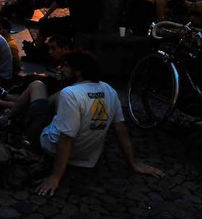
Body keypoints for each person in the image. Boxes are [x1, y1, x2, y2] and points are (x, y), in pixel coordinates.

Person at [18, 51, 165, 196]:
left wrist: (55, 177)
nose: (62, 69)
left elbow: (66, 139)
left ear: (79, 71)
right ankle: (14, 104)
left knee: (37, 86)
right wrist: (134, 162)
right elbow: (121, 129)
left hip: (47, 143)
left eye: (66, 66)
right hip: (86, 158)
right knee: (54, 99)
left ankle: (7, 116)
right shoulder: (109, 90)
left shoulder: (70, 94)